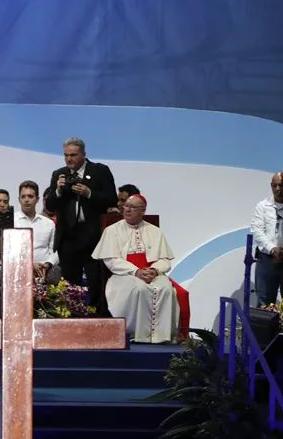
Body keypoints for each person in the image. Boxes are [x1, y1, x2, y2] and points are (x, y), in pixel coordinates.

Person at [92, 194, 182, 343]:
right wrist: (136, 271)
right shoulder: (112, 230)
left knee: (166, 288)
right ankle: (137, 334)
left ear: (143, 211)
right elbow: (111, 260)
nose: (127, 210)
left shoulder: (154, 231)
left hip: (152, 273)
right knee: (140, 289)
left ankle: (162, 336)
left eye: (133, 207)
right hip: (125, 274)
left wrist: (154, 270)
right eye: (126, 206)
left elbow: (165, 260)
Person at [43, 137, 117, 302]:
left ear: (84, 154)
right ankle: (72, 318)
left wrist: (89, 193)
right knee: (69, 285)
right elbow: (49, 206)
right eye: (66, 155)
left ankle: (98, 317)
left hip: (93, 237)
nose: (69, 159)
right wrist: (59, 191)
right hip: (68, 237)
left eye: (73, 155)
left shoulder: (100, 171)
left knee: (96, 281)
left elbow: (111, 199)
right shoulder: (58, 174)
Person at [251, 172, 283, 306]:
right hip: (267, 260)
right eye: (274, 186)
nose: (278, 189)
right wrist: (273, 249)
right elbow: (257, 230)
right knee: (264, 305)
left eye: (281, 185)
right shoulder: (262, 206)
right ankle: (265, 328)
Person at [14, 181, 61, 284]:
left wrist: (48, 263)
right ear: (19, 199)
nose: (26, 200)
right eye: (23, 197)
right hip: (18, 269)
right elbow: (10, 252)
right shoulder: (12, 222)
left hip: (45, 270)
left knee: (57, 271)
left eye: (30, 196)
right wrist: (29, 264)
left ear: (37, 199)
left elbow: (55, 251)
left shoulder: (48, 223)